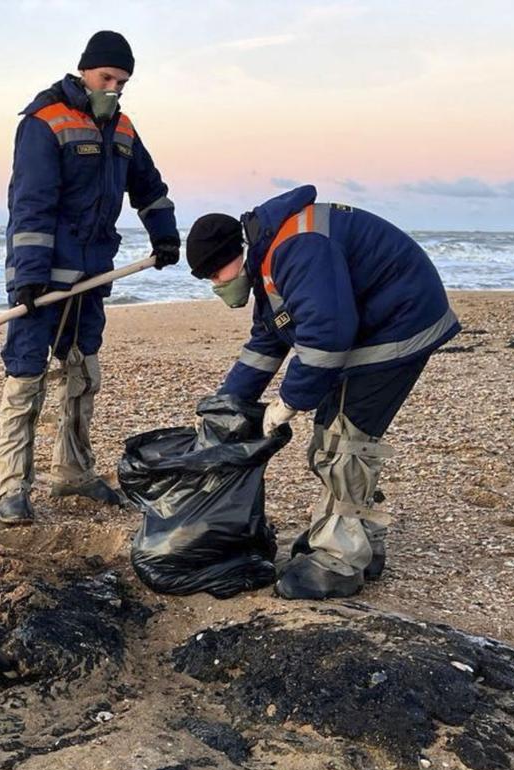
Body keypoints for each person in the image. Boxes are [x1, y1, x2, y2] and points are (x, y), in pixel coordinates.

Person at [185, 185, 461, 600]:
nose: (215, 285)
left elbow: (328, 335)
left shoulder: (296, 249)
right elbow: (268, 341)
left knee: (343, 441)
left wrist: (288, 403)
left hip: (399, 324)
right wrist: (226, 405)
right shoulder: (269, 259)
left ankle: (340, 561)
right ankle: (361, 541)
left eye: (214, 275)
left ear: (234, 255)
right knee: (334, 437)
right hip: (374, 322)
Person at [0, 30, 180, 525]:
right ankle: (13, 488)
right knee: (26, 375)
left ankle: (73, 472)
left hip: (93, 275)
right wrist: (30, 276)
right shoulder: (44, 121)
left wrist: (164, 235)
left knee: (82, 372)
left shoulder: (122, 129)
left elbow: (150, 187)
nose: (114, 88)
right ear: (85, 71)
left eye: (122, 82)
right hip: (44, 276)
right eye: (107, 78)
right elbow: (30, 204)